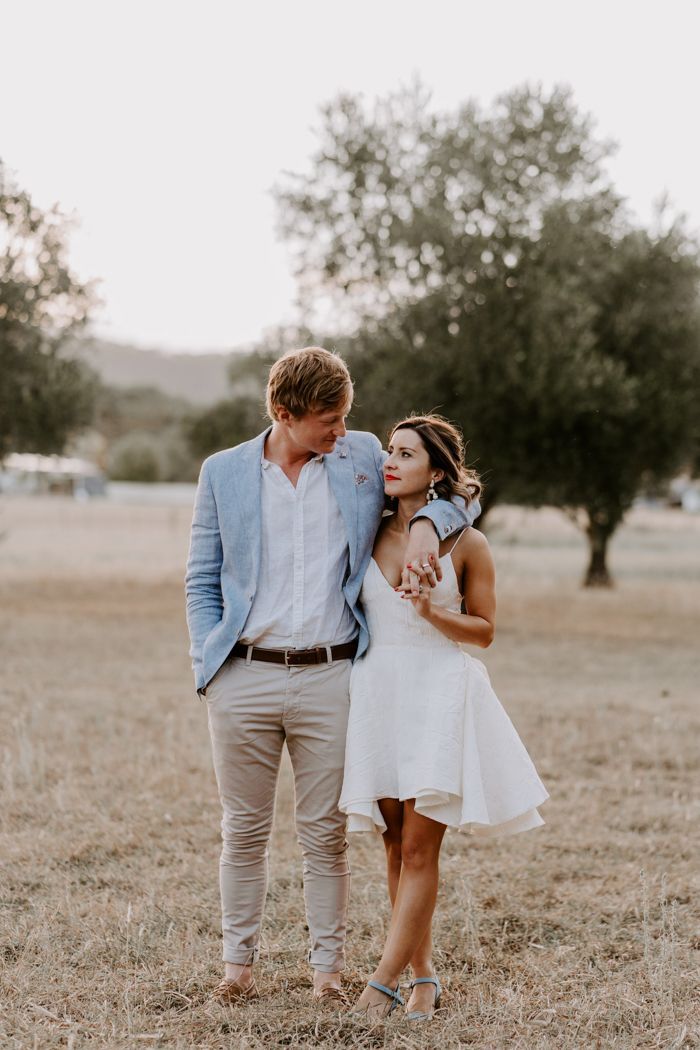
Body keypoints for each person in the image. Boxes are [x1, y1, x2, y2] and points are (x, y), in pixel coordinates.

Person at [184, 349, 480, 1005]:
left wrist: (431, 526)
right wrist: (208, 663)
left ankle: (327, 974)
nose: (342, 432)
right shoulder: (224, 473)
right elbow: (201, 577)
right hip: (242, 678)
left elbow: (453, 490)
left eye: (345, 417)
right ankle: (237, 969)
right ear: (285, 414)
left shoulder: (359, 456)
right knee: (243, 832)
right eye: (329, 420)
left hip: (333, 676)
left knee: (325, 836)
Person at [339, 414, 548, 1022]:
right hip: (377, 693)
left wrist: (432, 613)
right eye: (390, 452)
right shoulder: (368, 532)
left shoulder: (468, 545)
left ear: (435, 473)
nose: (391, 462)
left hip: (437, 692)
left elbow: (484, 632)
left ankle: (380, 985)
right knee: (393, 845)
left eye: (407, 454)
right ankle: (423, 975)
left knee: (422, 851)